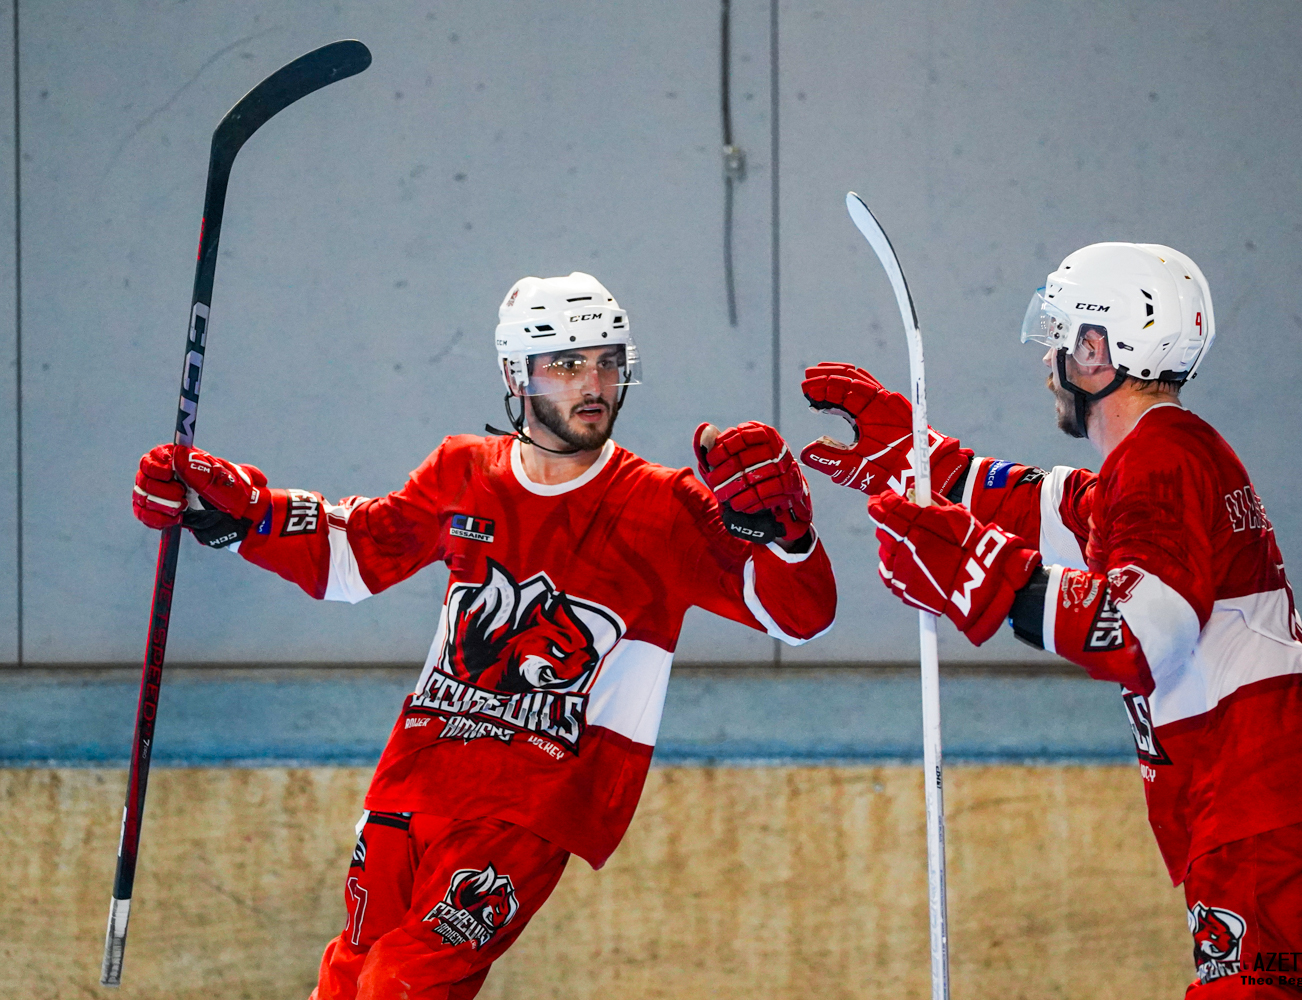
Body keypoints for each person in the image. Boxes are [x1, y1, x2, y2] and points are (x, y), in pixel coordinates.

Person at [131, 271, 837, 1000]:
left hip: (531, 800)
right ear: (514, 374)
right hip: (416, 779)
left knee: (403, 982)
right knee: (350, 973)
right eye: (565, 364)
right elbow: (357, 553)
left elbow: (800, 618)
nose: (592, 382)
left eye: (605, 361)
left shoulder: (665, 508)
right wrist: (241, 514)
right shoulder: (464, 471)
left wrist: (786, 537)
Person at [800, 244, 1302, 998]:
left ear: (1097, 350)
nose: (1047, 361)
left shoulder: (1161, 460)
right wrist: (922, 463)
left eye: (1060, 336)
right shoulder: (1160, 459)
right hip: (1285, 795)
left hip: (1270, 798)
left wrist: (988, 578)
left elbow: (1150, 635)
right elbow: (1052, 511)